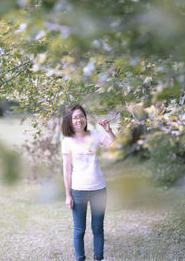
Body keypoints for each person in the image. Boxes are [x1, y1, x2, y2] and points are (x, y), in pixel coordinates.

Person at [61, 104, 116, 261]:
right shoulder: (67, 141)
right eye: (75, 117)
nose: (79, 120)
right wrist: (67, 195)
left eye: (81, 116)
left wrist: (108, 130)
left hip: (99, 189)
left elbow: (114, 145)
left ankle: (98, 258)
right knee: (79, 230)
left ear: (85, 118)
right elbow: (66, 170)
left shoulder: (96, 135)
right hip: (78, 191)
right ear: (70, 122)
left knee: (98, 228)